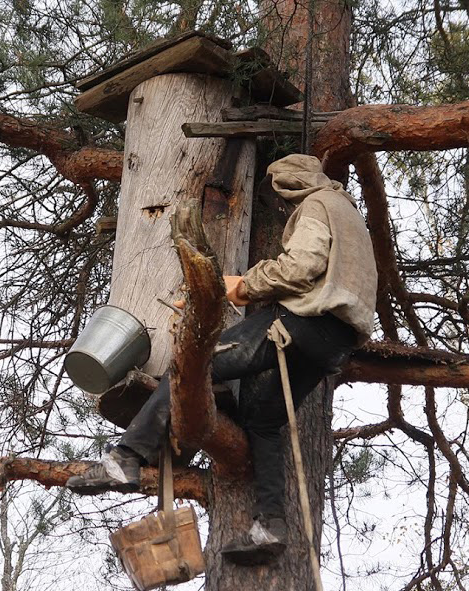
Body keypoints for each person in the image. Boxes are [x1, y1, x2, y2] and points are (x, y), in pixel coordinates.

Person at [66, 153, 378, 565]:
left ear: (294, 184)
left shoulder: (318, 205)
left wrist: (242, 286)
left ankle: (125, 458)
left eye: (284, 192)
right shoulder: (352, 217)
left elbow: (302, 266)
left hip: (301, 321)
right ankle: (271, 525)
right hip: (336, 342)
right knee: (265, 422)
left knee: (192, 368)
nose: (284, 203)